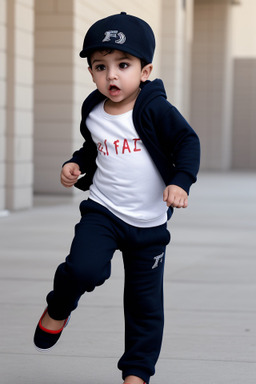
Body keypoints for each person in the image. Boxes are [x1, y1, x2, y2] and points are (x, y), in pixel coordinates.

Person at [33, 12, 200, 384]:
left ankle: (137, 374)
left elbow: (187, 141)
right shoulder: (92, 112)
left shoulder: (156, 109)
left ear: (144, 70)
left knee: (145, 306)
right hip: (104, 213)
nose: (111, 75)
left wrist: (181, 182)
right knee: (83, 268)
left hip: (150, 225)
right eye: (100, 66)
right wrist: (74, 164)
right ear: (90, 72)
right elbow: (91, 151)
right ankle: (59, 306)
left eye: (123, 65)